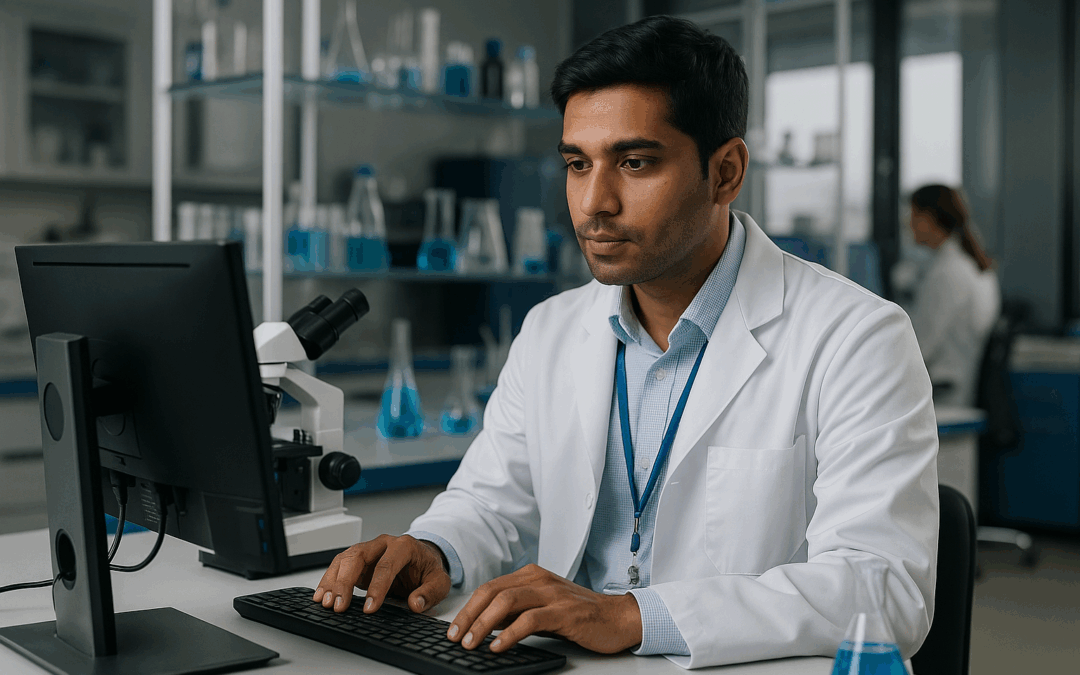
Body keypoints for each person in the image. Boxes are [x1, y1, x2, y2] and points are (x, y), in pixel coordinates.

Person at [314, 16, 939, 669]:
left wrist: (632, 615)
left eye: (635, 162)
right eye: (577, 164)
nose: (593, 202)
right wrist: (436, 549)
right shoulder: (553, 328)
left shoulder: (857, 337)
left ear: (725, 172)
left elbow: (884, 589)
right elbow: (491, 502)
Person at [907, 184, 1001, 407]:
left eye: (912, 215)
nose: (908, 224)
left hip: (945, 393)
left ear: (929, 218)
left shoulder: (947, 274)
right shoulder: (971, 265)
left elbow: (920, 348)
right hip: (960, 387)